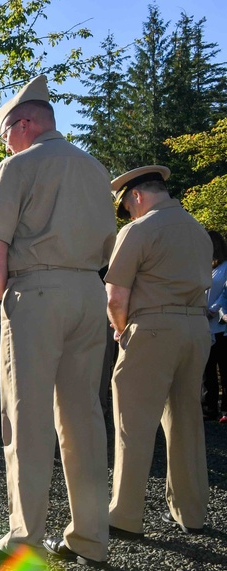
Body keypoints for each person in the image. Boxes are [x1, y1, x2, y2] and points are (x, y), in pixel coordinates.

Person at [0, 75, 117, 566]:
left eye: (4, 131)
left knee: (27, 418)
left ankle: (26, 539)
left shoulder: (18, 166)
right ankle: (91, 537)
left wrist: (4, 299)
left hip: (35, 291)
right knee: (84, 417)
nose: (3, 141)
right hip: (87, 290)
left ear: (25, 123)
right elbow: (106, 247)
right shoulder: (97, 169)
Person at [106, 165, 212, 537]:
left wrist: (121, 332)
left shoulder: (138, 230)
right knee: (187, 421)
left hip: (151, 328)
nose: (129, 214)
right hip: (196, 328)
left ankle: (124, 516)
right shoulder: (199, 231)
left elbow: (116, 296)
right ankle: (191, 513)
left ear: (136, 196)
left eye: (127, 207)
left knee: (132, 424)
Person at [204, 230, 227, 422]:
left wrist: (214, 308)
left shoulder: (226, 267)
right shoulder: (206, 268)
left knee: (225, 369)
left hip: (221, 326)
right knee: (207, 369)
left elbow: (225, 293)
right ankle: (209, 407)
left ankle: (226, 409)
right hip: (205, 326)